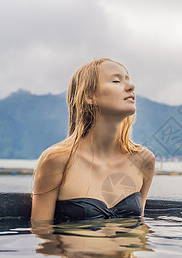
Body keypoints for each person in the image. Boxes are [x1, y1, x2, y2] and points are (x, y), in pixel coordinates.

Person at [31, 58, 155, 222]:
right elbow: (41, 233)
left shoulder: (143, 160)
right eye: (116, 81)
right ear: (89, 96)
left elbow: (140, 228)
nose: (131, 87)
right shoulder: (58, 159)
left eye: (128, 80)